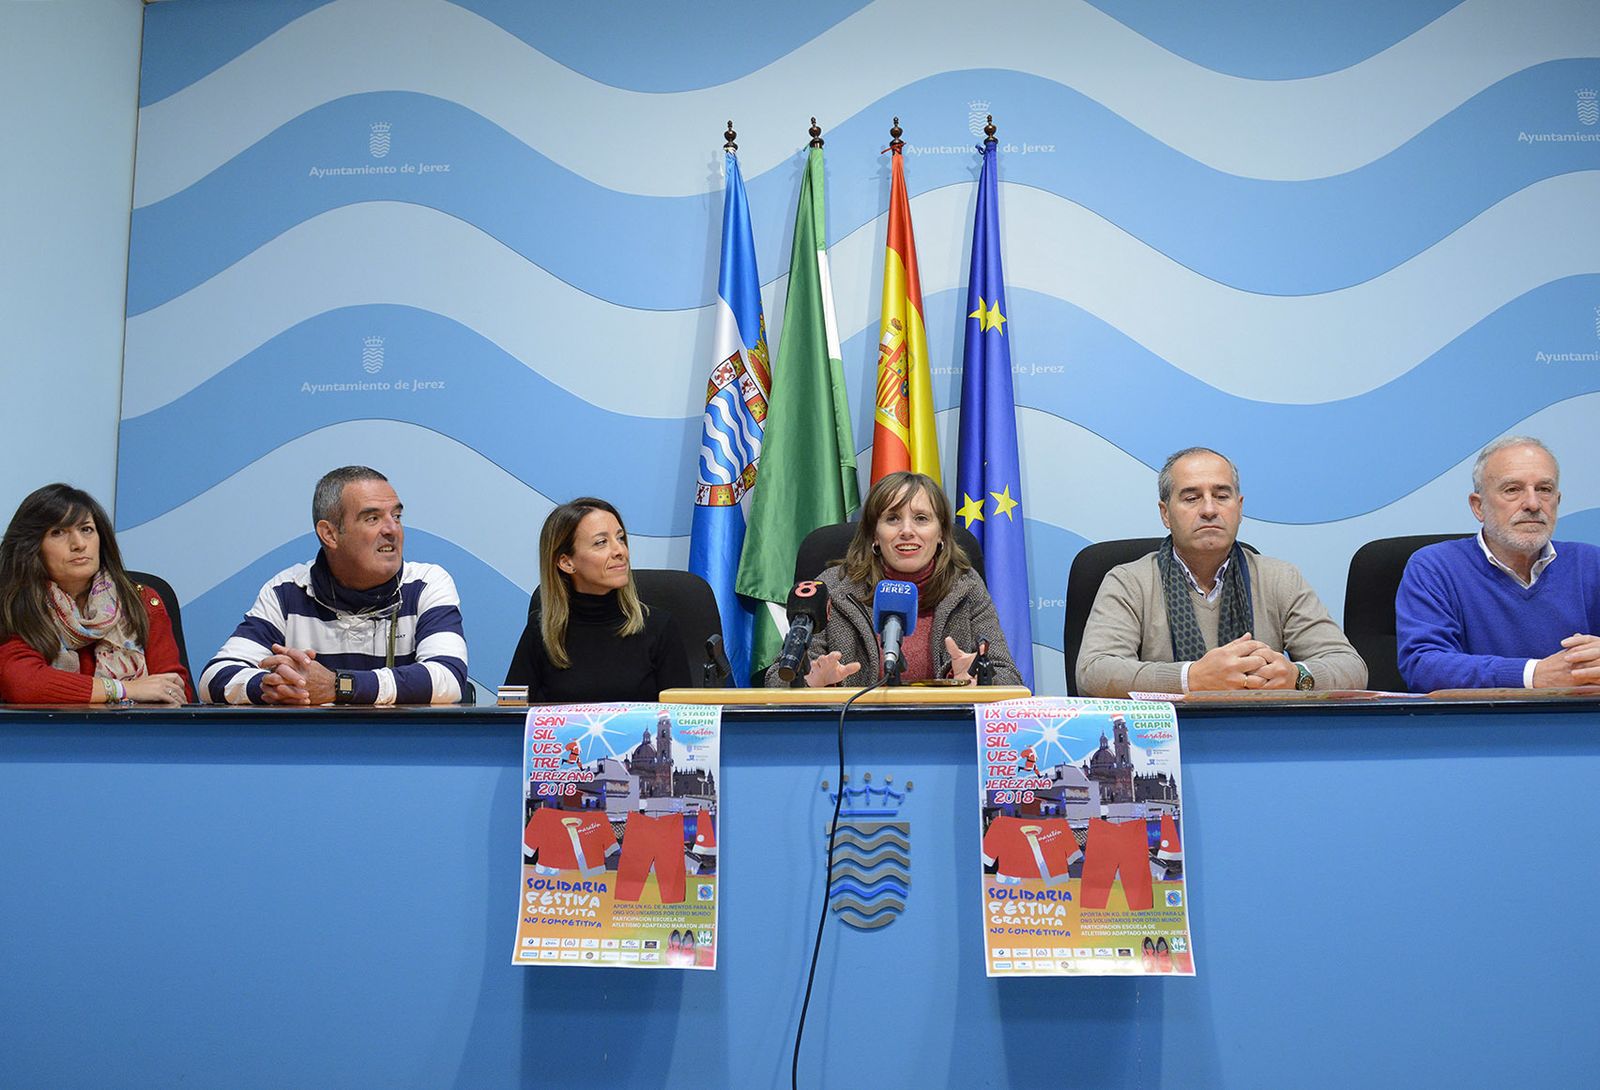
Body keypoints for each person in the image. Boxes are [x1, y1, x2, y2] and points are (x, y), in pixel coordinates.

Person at [1076, 447, 1366, 698]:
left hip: (1262, 742)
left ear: (1239, 508)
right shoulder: (1129, 582)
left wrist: (1297, 677)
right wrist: (1190, 679)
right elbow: (1094, 672)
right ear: (1165, 514)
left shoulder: (1279, 579)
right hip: (1166, 745)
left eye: (1221, 495)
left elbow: (1351, 667)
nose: (1209, 509)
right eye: (1191, 498)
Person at [199, 466, 468, 705]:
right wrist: (272, 686)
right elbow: (213, 677)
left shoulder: (425, 584)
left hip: (400, 755)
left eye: (396, 516)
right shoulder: (287, 591)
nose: (392, 530)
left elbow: (447, 677)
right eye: (372, 518)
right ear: (329, 534)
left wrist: (340, 686)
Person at [765, 471, 1023, 687]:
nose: (907, 531)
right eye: (892, 519)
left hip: (944, 734)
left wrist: (980, 679)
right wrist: (811, 682)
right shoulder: (833, 587)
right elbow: (776, 680)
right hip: (849, 735)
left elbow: (1009, 677)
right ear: (874, 535)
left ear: (942, 533)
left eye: (921, 519)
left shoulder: (966, 586)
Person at [1396, 436, 1600, 691]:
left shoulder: (1591, 563)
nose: (1533, 504)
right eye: (1512, 490)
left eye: (1544, 489)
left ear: (1557, 501)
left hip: (1580, 726)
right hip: (1478, 726)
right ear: (1478, 506)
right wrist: (1533, 675)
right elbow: (1423, 665)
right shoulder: (1434, 567)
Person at [0, 483, 190, 705]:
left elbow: (174, 690)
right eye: (58, 532)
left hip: (135, 734)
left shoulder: (141, 601)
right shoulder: (14, 604)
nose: (79, 544)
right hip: (48, 736)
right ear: (32, 546)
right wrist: (125, 689)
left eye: (86, 529)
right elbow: (24, 683)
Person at [504, 497, 689, 702]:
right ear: (566, 562)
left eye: (620, 538)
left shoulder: (660, 628)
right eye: (601, 542)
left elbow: (682, 723)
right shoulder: (540, 632)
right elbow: (511, 718)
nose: (620, 551)